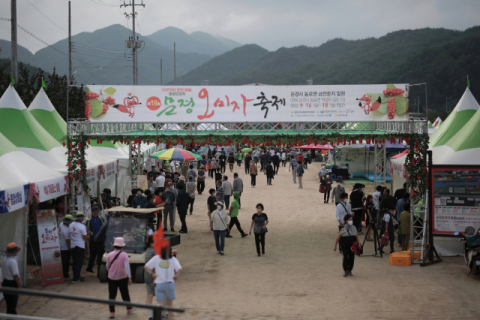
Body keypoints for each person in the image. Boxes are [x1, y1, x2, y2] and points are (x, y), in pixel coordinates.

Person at [144, 243, 182, 320]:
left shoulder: (156, 258)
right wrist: (176, 276)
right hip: (170, 284)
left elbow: (146, 266)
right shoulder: (173, 259)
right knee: (170, 305)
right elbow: (180, 269)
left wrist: (152, 274)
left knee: (159, 306)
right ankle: (170, 318)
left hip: (159, 284)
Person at [106, 237, 134, 318]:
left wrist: (110, 272)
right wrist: (130, 277)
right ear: (122, 246)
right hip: (122, 277)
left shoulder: (110, 254)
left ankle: (112, 312)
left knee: (112, 295)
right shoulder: (124, 255)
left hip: (112, 277)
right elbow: (127, 267)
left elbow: (107, 266)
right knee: (125, 293)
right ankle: (129, 309)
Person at [1, 242, 23, 314]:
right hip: (11, 284)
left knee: (9, 304)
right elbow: (15, 275)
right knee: (12, 305)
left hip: (5, 283)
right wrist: (19, 285)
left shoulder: (4, 260)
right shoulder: (13, 261)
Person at [68, 212, 89, 283]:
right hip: (79, 246)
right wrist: (88, 237)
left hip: (73, 245)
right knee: (78, 263)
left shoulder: (71, 225)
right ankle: (76, 278)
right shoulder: (82, 226)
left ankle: (77, 276)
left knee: (75, 262)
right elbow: (84, 237)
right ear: (81, 219)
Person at [86, 206, 105, 274]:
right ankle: (89, 268)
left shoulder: (101, 218)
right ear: (92, 211)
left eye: (96, 211)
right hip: (93, 239)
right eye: (94, 211)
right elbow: (87, 229)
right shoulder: (89, 219)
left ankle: (99, 271)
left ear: (98, 211)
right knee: (92, 255)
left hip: (100, 240)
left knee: (100, 255)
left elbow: (103, 227)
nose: (95, 212)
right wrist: (91, 233)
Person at [143, 236, 156, 320]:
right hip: (155, 277)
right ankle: (165, 313)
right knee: (163, 295)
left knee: (149, 296)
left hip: (147, 276)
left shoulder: (147, 250)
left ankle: (150, 315)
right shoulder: (155, 252)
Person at [58, 214, 73, 280]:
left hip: (60, 245)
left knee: (63, 262)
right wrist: (70, 249)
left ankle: (62, 274)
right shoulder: (66, 230)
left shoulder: (61, 224)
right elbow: (67, 241)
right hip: (65, 248)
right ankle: (65, 275)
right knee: (65, 262)